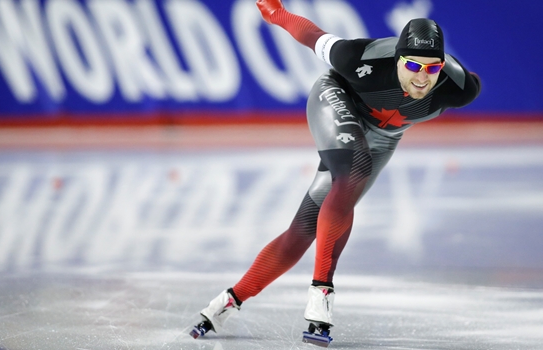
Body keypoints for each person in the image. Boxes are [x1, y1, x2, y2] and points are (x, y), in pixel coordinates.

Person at [190, 0, 481, 346]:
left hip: (383, 138)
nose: (421, 77)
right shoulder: (359, 58)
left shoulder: (459, 88)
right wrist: (275, 13)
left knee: (305, 228)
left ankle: (228, 301)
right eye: (413, 65)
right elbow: (312, 35)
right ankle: (322, 291)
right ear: (397, 59)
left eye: (432, 69)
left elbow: (463, 79)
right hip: (336, 98)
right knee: (356, 166)